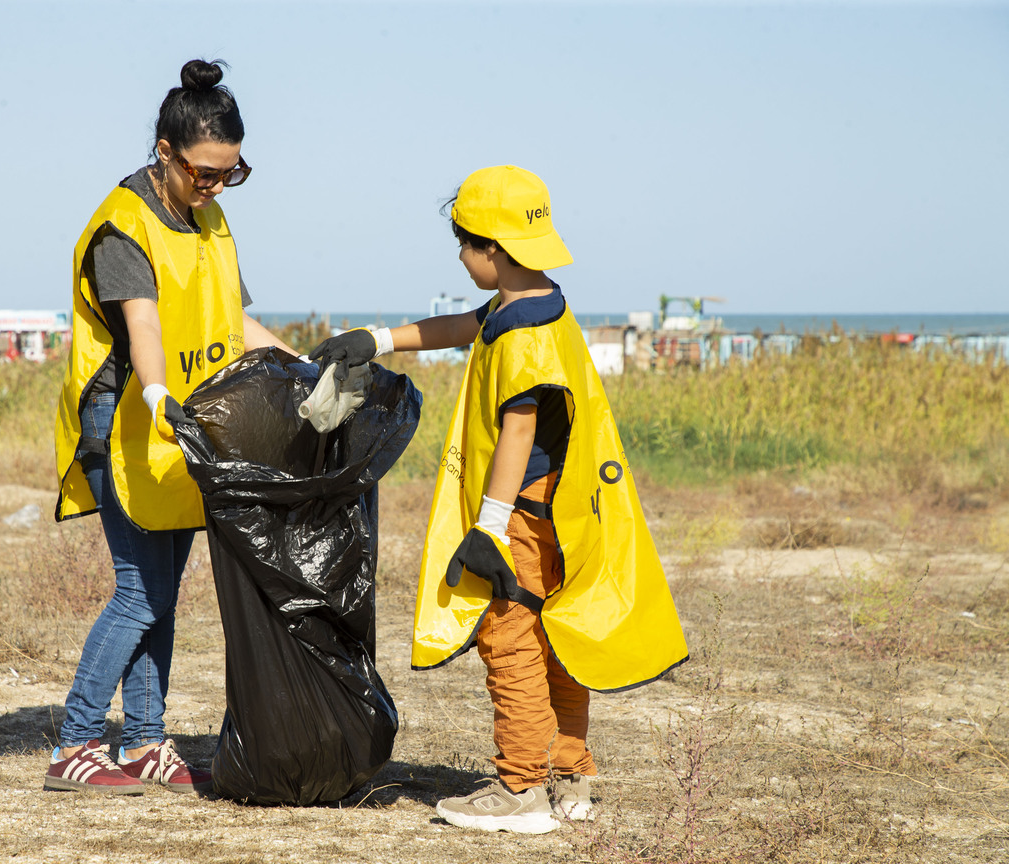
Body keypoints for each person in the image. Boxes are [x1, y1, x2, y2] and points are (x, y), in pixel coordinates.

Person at [310, 165, 688, 833]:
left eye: (464, 243)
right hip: (561, 507)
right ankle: (571, 775)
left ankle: (520, 790)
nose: (460, 255)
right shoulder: (538, 301)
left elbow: (517, 429)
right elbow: (464, 326)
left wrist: (489, 526)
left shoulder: (520, 334)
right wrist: (378, 340)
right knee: (557, 638)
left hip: (521, 513)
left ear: (495, 249)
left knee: (508, 638)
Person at [49, 59, 300, 796]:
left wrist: (309, 368)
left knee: (164, 586)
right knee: (140, 590)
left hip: (185, 424)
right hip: (126, 419)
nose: (217, 187)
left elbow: (235, 320)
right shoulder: (122, 228)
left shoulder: (211, 218)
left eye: (232, 173)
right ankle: (76, 743)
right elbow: (144, 326)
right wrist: (159, 397)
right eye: (205, 173)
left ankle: (148, 743)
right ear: (166, 152)